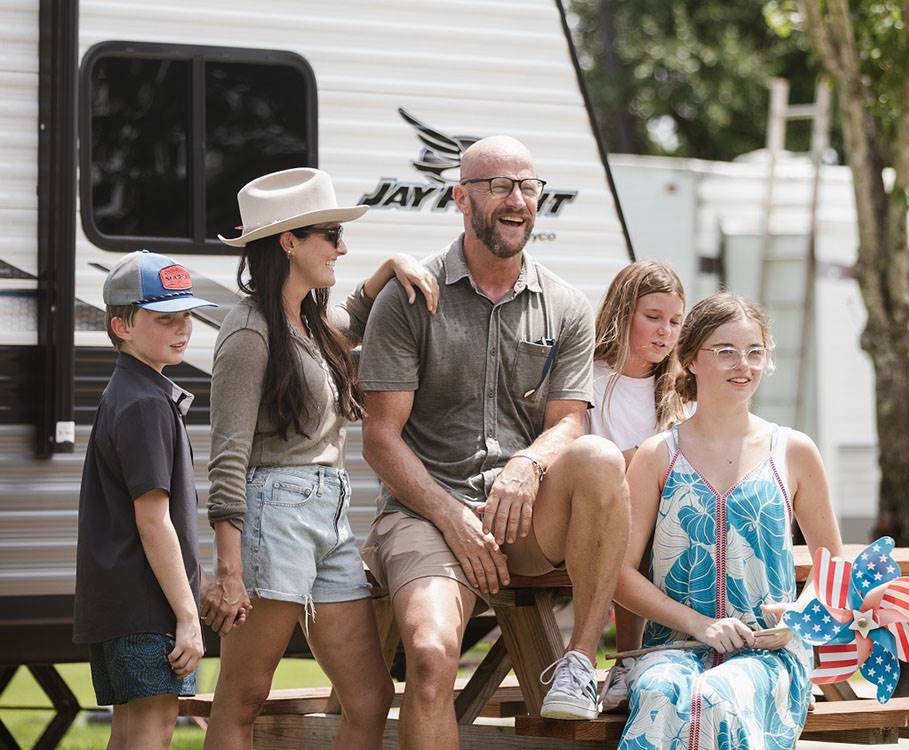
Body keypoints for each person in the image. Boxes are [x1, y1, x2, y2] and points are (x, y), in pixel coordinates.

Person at [359, 135, 630, 748]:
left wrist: (529, 465)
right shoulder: (410, 297)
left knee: (599, 457)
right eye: (498, 186)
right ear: (460, 197)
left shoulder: (565, 305)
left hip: (522, 514)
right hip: (425, 513)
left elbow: (569, 421)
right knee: (428, 659)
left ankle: (581, 663)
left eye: (527, 186)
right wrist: (452, 517)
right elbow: (380, 439)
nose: (516, 200)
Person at [201, 167, 439, 750]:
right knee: (244, 697)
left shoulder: (308, 320)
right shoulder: (249, 332)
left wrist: (393, 265)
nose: (342, 246)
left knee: (370, 697)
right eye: (330, 233)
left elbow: (353, 317)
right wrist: (229, 573)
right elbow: (227, 458)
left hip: (329, 519)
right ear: (289, 242)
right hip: (272, 516)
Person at [615, 292, 844, 749]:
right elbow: (619, 575)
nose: (744, 365)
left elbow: (833, 568)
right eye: (725, 351)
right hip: (673, 647)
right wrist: (700, 626)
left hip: (770, 653)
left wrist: (799, 620)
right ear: (692, 360)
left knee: (722, 696)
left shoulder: (793, 450)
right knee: (661, 695)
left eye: (754, 351)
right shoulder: (657, 455)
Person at [73, 250, 217, 750]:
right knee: (152, 731)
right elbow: (153, 520)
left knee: (130, 732)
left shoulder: (126, 391)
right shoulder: (145, 404)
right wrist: (186, 615)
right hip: (148, 606)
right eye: (164, 319)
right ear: (122, 325)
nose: (182, 329)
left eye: (186, 316)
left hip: (121, 601)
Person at [586, 260, 686, 713]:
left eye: (675, 322)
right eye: (653, 317)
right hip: (601, 519)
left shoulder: (679, 393)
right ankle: (628, 658)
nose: (665, 332)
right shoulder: (588, 378)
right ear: (623, 312)